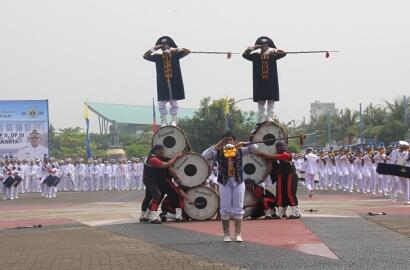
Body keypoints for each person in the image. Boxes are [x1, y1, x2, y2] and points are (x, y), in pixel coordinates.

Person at [202, 132, 257, 242]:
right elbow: (204, 155)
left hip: (238, 182)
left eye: (230, 140)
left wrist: (244, 143)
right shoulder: (218, 152)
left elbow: (254, 147)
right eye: (226, 140)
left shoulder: (240, 150)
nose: (228, 142)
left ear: (234, 141)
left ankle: (238, 234)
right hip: (224, 182)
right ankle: (226, 234)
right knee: (225, 208)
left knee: (238, 208)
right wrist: (218, 145)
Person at [143, 36, 190, 126]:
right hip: (163, 83)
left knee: (174, 102)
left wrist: (174, 50)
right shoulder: (158, 57)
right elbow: (145, 56)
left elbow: (187, 51)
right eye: (163, 46)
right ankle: (163, 120)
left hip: (174, 82)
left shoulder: (176, 55)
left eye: (167, 46)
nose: (165, 48)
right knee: (161, 103)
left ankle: (174, 120)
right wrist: (155, 48)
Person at [242, 36, 286, 123]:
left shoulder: (273, 56)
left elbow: (284, 53)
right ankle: (262, 117)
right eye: (262, 46)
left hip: (271, 81)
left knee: (271, 100)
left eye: (266, 46)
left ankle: (270, 117)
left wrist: (274, 50)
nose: (264, 47)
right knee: (261, 101)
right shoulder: (255, 56)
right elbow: (245, 55)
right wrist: (254, 48)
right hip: (259, 82)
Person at [256, 141, 301, 219]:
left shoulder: (287, 154)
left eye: (282, 146)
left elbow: (272, 157)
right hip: (282, 175)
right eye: (278, 147)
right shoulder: (277, 155)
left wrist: (261, 153)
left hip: (290, 175)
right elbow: (270, 164)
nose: (280, 148)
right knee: (280, 194)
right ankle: (280, 213)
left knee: (290, 193)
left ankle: (296, 213)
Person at [140, 144, 182, 224]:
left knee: (148, 197)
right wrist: (176, 156)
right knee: (157, 195)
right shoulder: (153, 159)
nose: (163, 152)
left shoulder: (152, 157)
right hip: (150, 180)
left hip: (151, 180)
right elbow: (167, 165)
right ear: (156, 150)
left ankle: (144, 216)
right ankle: (153, 217)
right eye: (162, 150)